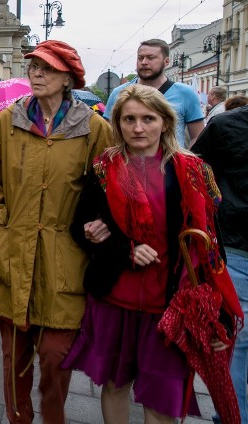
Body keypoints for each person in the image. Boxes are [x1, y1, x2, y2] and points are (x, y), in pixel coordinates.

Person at [64, 84, 229, 423]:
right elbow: (80, 224)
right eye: (129, 119)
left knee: (161, 399)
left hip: (169, 307)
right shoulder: (103, 169)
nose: (138, 128)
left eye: (148, 119)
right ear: (118, 124)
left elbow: (212, 246)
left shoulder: (193, 171)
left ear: (165, 123)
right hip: (114, 300)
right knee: (114, 385)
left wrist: (221, 316)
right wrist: (118, 245)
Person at [0, 40, 111, 424]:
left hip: (65, 260)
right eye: (33, 66)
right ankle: (19, 419)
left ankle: (53, 418)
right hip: (12, 254)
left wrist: (105, 224)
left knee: (55, 355)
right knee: (14, 355)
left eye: (47, 68)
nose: (36, 73)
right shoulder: (8, 122)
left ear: (67, 78)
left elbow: (112, 188)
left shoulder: (94, 129)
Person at [193, 101, 248, 423]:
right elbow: (196, 172)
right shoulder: (226, 125)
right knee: (237, 342)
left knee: (238, 345)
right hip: (235, 248)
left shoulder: (226, 124)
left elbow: (196, 170)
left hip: (233, 243)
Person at [103, 39, 204, 147]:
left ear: (166, 61)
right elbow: (109, 135)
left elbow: (198, 136)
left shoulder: (186, 93)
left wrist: (187, 161)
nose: (144, 62)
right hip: (128, 162)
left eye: (151, 58)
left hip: (172, 161)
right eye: (140, 58)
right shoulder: (119, 93)